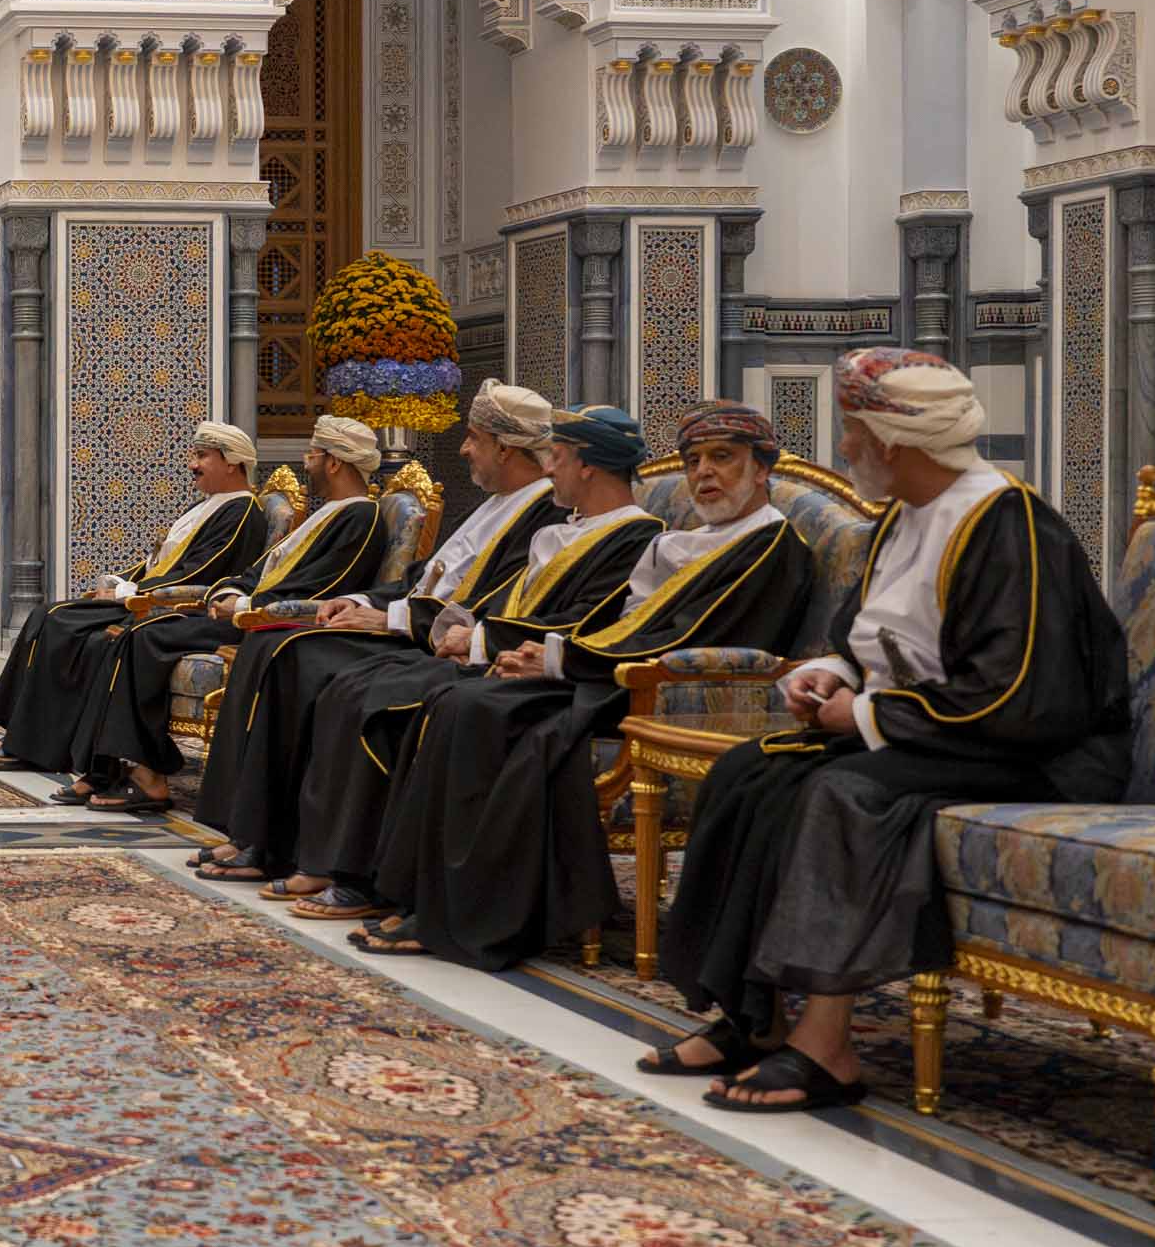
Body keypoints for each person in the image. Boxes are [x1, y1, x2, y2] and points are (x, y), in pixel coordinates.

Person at [652, 351, 1131, 1114]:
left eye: (854, 432)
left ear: (896, 442)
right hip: (942, 731)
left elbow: (1018, 693)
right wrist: (830, 676)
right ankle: (753, 1015)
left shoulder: (1009, 522)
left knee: (841, 791)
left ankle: (827, 1048)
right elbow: (864, 638)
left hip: (1037, 752)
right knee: (751, 772)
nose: (844, 447)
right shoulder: (902, 518)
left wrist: (865, 715)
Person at [347, 402, 821, 963]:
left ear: (762, 468)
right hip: (608, 671)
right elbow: (631, 624)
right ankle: (425, 898)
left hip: (657, 695)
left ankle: (470, 914)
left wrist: (559, 659)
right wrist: (548, 654)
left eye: (723, 458)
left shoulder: (770, 545)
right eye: (694, 461)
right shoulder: (695, 540)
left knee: (477, 707)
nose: (704, 473)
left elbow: (685, 639)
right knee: (457, 697)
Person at [245, 404, 671, 914]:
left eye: (556, 456)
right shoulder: (562, 528)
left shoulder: (635, 533)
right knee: (352, 684)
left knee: (384, 700)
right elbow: (494, 596)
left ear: (587, 466)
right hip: (499, 654)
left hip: (556, 676)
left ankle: (372, 879)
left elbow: (586, 621)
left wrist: (480, 639)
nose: (548, 466)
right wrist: (469, 635)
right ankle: (330, 860)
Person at [184, 380, 561, 878]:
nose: (464, 449)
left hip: (433, 642)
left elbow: (486, 602)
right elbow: (421, 579)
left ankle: (283, 845)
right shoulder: (496, 503)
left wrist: (391, 617)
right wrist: (361, 600)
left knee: (294, 655)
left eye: (473, 438)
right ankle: (252, 833)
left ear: (505, 447)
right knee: (274, 643)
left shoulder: (544, 511)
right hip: (409, 625)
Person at [68, 413, 397, 811]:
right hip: (245, 612)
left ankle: (148, 777)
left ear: (334, 463)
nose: (305, 462)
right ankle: (111, 767)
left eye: (312, 454)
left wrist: (243, 604)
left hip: (272, 623)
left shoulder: (361, 516)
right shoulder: (327, 512)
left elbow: (324, 587)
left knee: (145, 637)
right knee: (139, 633)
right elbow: (261, 570)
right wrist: (230, 590)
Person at [0, 419, 270, 782]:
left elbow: (201, 572)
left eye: (202, 456)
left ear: (232, 462)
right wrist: (120, 581)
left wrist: (129, 593)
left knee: (58, 620)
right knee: (47, 616)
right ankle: (24, 738)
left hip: (172, 610)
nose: (193, 464)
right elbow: (157, 562)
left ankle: (30, 745)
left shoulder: (242, 511)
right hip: (147, 598)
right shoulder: (207, 505)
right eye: (194, 455)